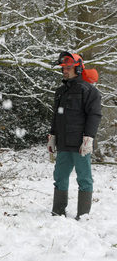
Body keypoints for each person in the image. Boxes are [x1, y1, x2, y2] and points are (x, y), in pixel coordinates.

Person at [48, 51, 101, 220]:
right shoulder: (60, 91)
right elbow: (57, 116)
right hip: (63, 143)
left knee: (84, 179)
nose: (65, 70)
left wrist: (89, 137)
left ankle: (83, 215)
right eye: (63, 67)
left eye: (69, 67)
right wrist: (53, 135)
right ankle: (58, 212)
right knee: (60, 177)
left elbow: (94, 115)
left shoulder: (89, 91)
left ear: (78, 69)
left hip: (80, 144)